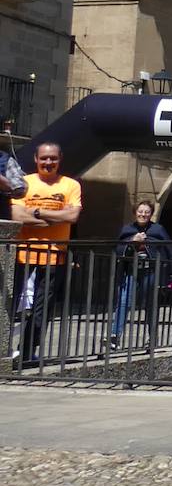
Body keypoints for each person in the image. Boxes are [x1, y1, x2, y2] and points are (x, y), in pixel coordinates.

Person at [9, 142, 82, 364]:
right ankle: (4, 348)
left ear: (60, 159)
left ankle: (28, 351)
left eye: (53, 158)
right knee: (9, 305)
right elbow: (16, 216)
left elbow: (72, 217)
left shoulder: (71, 185)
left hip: (55, 255)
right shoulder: (23, 183)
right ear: (35, 159)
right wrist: (54, 215)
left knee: (43, 308)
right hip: (22, 253)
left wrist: (36, 212)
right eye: (44, 158)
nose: (48, 162)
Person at [112, 200, 172, 351]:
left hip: (150, 270)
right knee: (124, 301)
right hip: (130, 270)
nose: (143, 214)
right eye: (140, 211)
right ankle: (115, 336)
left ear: (151, 214)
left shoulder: (158, 229)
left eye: (147, 212)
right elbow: (118, 248)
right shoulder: (127, 229)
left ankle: (152, 337)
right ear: (135, 212)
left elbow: (169, 249)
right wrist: (133, 241)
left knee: (150, 303)